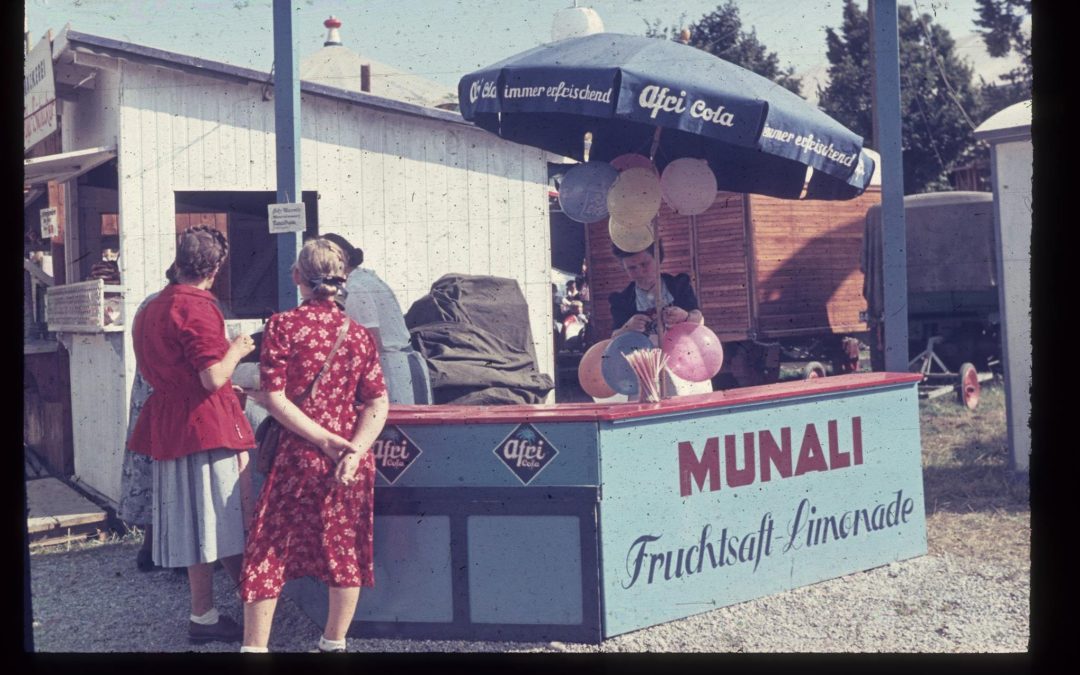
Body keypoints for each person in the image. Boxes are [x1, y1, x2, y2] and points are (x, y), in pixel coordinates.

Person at [239, 238, 389, 654]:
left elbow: (274, 397)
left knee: (268, 550)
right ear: (342, 282)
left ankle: (254, 648)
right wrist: (354, 450)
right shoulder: (359, 336)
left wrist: (324, 440)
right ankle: (333, 644)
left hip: (298, 454)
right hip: (348, 460)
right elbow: (378, 401)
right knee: (344, 551)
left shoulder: (283, 326)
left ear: (297, 278)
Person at [127, 225, 257, 644]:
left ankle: (203, 614)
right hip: (204, 425)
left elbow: (168, 370)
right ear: (215, 268)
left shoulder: (151, 306)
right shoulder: (198, 306)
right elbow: (211, 377)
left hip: (168, 423)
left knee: (194, 525)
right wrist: (237, 348)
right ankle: (257, 602)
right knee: (226, 517)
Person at [321, 232, 431, 404]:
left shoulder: (355, 288)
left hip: (393, 372)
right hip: (400, 366)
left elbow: (372, 344)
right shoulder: (365, 278)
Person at [608, 241, 711, 397]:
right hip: (646, 369)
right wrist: (627, 328)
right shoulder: (622, 299)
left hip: (683, 360)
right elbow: (614, 338)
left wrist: (685, 316)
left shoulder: (678, 284)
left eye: (645, 264)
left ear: (658, 258)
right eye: (632, 268)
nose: (640, 271)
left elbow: (697, 317)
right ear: (624, 268)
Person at [117, 292, 159, 572]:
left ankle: (150, 545)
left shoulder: (148, 303)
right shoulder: (189, 305)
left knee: (147, 470)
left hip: (145, 397)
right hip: (164, 397)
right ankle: (167, 550)